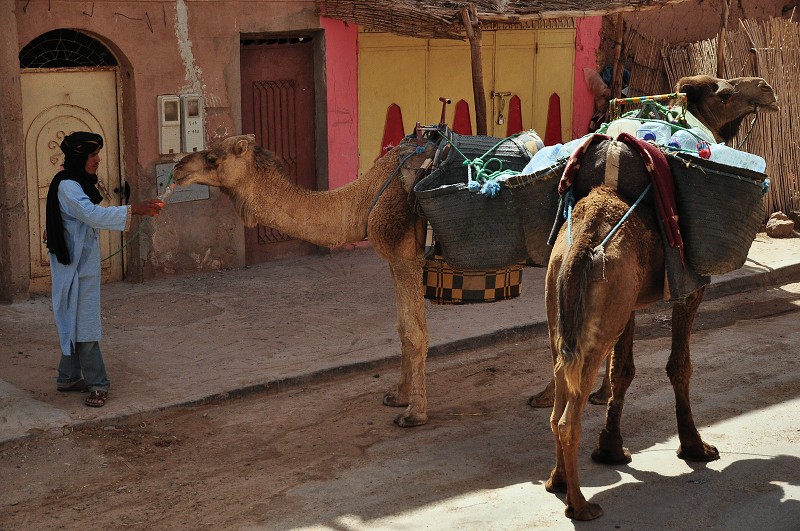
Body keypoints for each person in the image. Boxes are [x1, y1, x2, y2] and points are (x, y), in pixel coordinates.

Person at [45, 131, 164, 407]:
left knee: (73, 319)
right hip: (72, 266)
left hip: (81, 264)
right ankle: (98, 384)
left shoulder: (77, 182)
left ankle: (68, 377)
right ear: (79, 157)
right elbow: (92, 215)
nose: (98, 160)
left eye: (98, 154)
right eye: (93, 155)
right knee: (83, 323)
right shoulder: (67, 186)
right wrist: (134, 210)